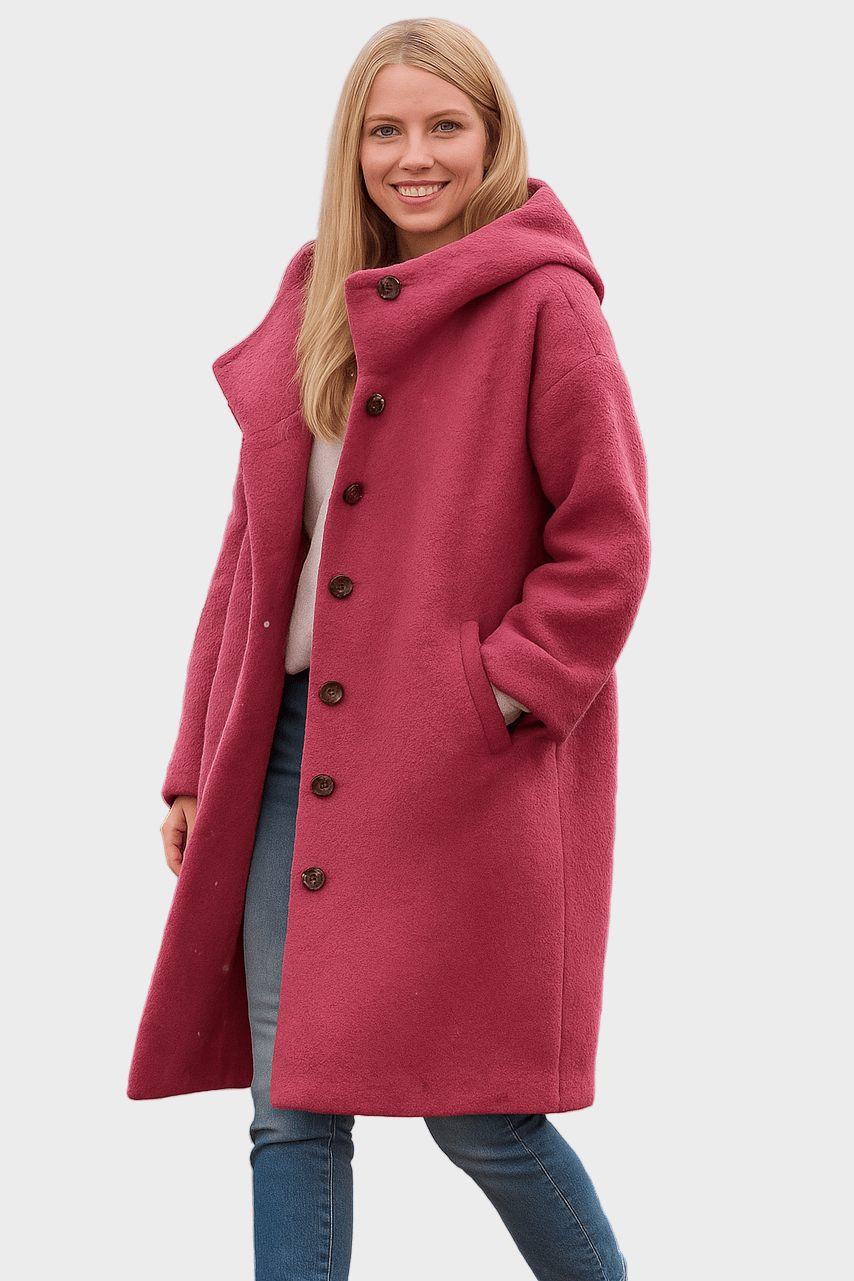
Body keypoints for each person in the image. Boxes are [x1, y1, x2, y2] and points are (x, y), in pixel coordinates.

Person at [128, 16, 651, 1281]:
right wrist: (196, 759)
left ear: (491, 136)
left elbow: (606, 546)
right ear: (351, 148)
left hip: (452, 770)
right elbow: (252, 558)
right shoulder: (318, 300)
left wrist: (490, 700)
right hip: (286, 753)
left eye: (442, 127)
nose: (413, 157)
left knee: (480, 1114)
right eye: (385, 131)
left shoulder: (544, 307)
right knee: (288, 1106)